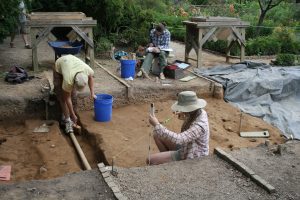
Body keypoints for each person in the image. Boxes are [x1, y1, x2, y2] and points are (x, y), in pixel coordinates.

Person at [147, 91, 209, 165]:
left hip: (192, 156)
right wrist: (184, 113)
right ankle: (168, 162)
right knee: (157, 134)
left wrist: (157, 124)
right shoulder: (200, 111)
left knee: (150, 160)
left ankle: (174, 165)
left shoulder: (199, 126)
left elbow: (178, 139)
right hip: (185, 147)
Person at [53, 54, 96, 134]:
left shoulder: (88, 70)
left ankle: (69, 114)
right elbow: (66, 98)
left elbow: (91, 78)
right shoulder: (68, 80)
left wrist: (92, 93)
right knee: (62, 97)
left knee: (73, 95)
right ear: (74, 82)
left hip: (71, 62)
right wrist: (72, 115)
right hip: (60, 64)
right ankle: (67, 120)